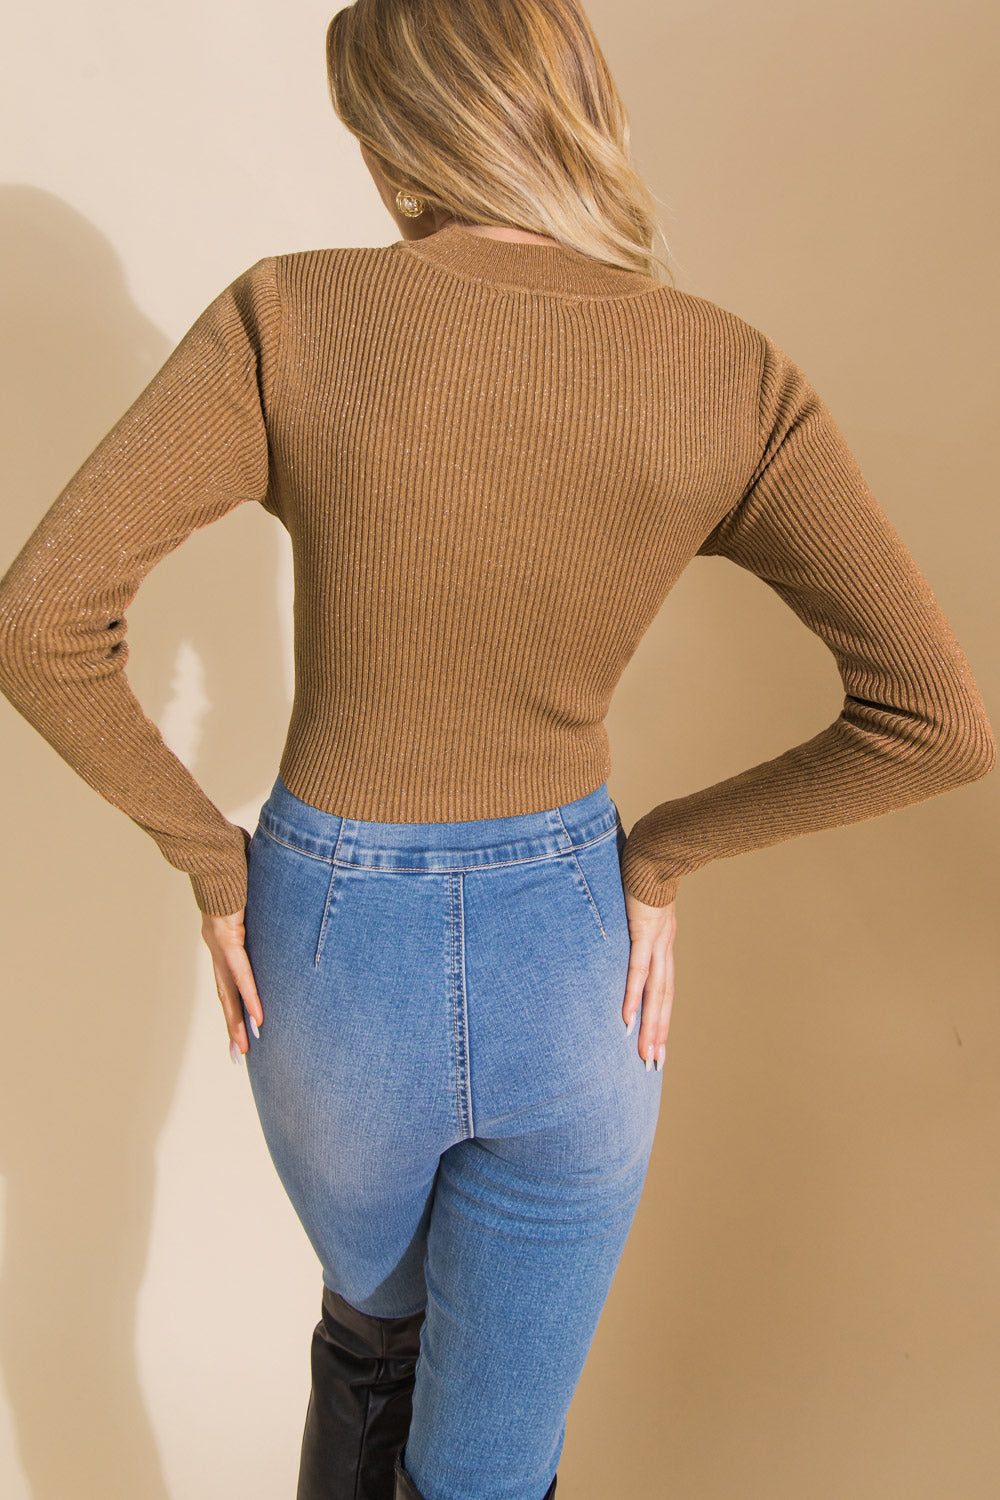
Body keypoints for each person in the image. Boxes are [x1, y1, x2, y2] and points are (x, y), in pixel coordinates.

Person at [0, 0, 994, 1496]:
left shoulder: (294, 313)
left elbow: (38, 622)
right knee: (486, 1473)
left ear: (403, 134)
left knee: (370, 1341)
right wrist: (663, 857)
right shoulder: (723, 370)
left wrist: (210, 861)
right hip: (573, 963)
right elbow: (936, 719)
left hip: (329, 958)